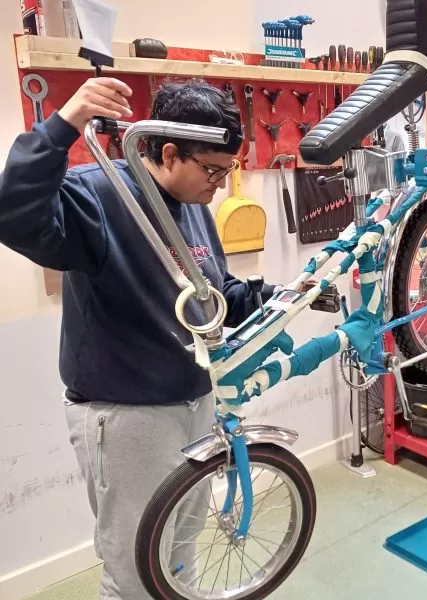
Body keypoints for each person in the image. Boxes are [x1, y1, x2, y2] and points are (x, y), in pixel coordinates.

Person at [0, 77, 280, 599]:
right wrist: (63, 124)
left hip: (193, 402)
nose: (219, 186)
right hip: (128, 417)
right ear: (170, 152)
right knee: (135, 568)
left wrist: (279, 295)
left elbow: (212, 294)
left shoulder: (193, 203)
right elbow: (11, 212)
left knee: (179, 551)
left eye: (226, 171)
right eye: (213, 170)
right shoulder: (97, 196)